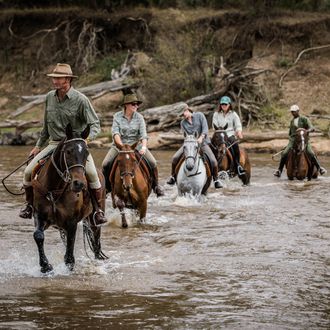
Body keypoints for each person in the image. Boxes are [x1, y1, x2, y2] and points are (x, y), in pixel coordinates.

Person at [19, 63, 107, 225]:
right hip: (54, 144)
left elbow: (95, 125)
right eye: (54, 78)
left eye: (58, 78)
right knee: (28, 172)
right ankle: (29, 206)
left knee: (94, 175)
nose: (55, 81)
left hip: (74, 146)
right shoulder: (49, 97)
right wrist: (38, 145)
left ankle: (97, 211)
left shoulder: (81, 100)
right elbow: (46, 126)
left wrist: (84, 141)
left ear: (68, 79)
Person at [102, 92, 164, 197]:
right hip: (119, 146)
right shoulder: (117, 116)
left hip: (136, 146)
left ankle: (156, 186)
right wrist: (122, 146)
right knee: (105, 163)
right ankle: (106, 188)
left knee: (153, 162)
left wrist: (144, 146)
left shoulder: (139, 117)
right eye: (133, 104)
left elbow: (143, 135)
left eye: (137, 104)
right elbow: (115, 133)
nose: (136, 106)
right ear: (126, 105)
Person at [167, 103, 222, 189]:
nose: (183, 116)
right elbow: (185, 135)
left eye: (183, 113)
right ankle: (173, 177)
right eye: (181, 115)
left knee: (213, 161)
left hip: (203, 143)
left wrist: (201, 137)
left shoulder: (200, 115)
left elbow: (205, 129)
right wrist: (189, 141)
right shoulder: (183, 123)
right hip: (189, 144)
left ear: (187, 110)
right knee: (174, 158)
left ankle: (216, 180)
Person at [274, 104, 326, 177]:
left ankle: (319, 168)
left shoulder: (304, 119)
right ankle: (279, 170)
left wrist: (307, 131)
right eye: (292, 112)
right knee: (285, 153)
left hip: (304, 140)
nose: (293, 113)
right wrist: (291, 139)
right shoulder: (292, 121)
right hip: (293, 141)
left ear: (298, 111)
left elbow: (312, 127)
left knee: (310, 152)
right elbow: (290, 133)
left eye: (294, 111)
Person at [212, 96, 246, 175]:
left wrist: (239, 131)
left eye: (225, 104)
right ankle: (209, 165)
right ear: (220, 105)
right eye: (222, 104)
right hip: (219, 134)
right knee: (210, 146)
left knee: (235, 146)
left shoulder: (233, 114)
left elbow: (238, 125)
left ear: (229, 105)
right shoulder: (216, 114)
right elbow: (214, 126)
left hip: (230, 134)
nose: (223, 105)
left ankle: (238, 166)